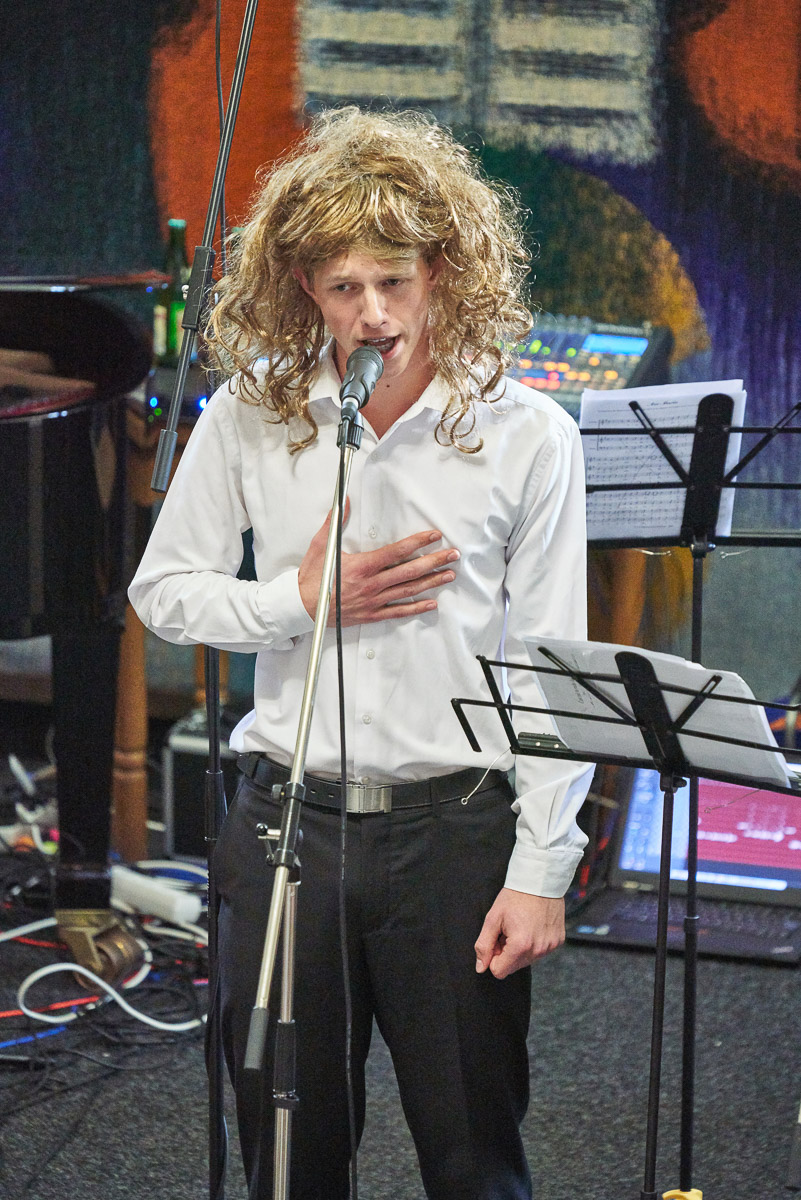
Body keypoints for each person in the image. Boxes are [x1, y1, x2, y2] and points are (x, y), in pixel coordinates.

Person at [129, 107, 592, 1200]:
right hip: (288, 826)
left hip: (454, 833)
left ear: (443, 271)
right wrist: (299, 601)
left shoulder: (526, 434)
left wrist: (542, 870)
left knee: (474, 1154)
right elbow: (163, 593)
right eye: (343, 288)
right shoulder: (251, 415)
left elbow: (548, 667)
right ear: (303, 285)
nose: (372, 314)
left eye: (393, 281)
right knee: (288, 1155)